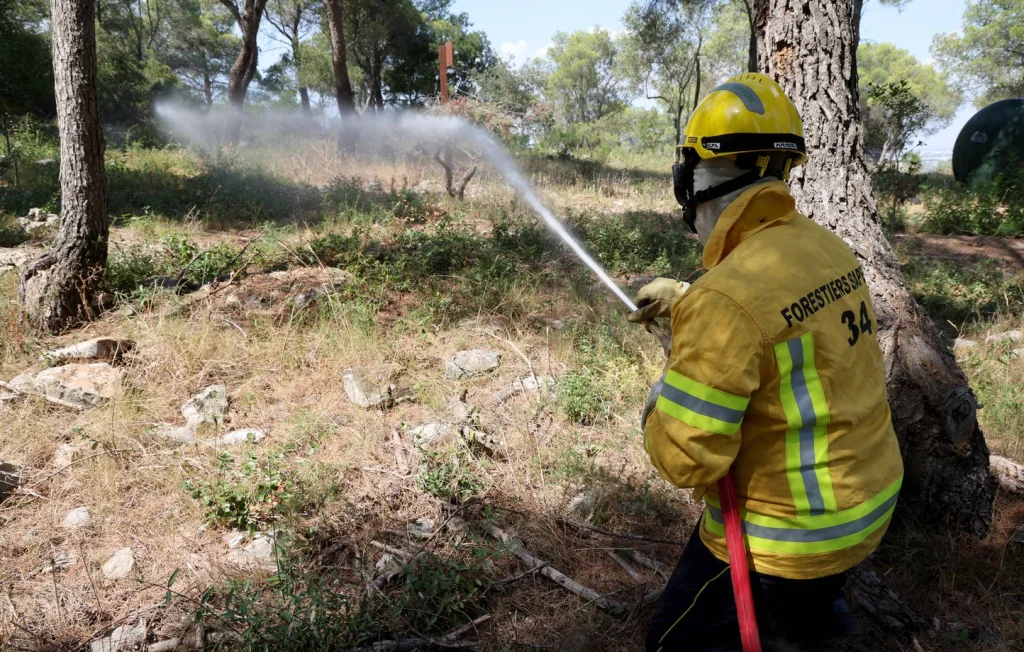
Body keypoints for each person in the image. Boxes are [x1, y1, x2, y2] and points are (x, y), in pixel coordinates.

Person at [629, 73, 904, 652]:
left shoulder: (725, 301)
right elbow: (785, 328)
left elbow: (689, 462)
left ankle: (798, 608)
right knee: (803, 618)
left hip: (787, 535)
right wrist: (690, 307)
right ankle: (817, 618)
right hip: (868, 503)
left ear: (697, 177)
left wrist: (660, 399)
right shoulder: (825, 248)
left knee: (670, 641)